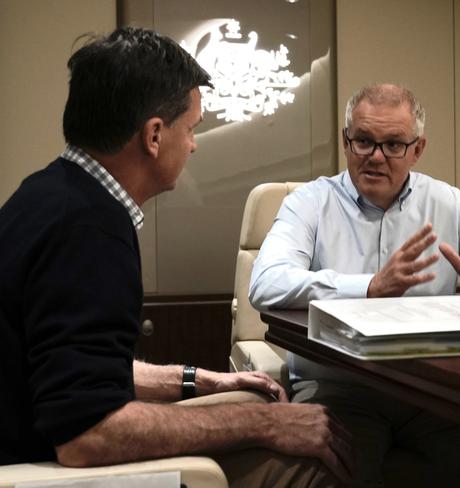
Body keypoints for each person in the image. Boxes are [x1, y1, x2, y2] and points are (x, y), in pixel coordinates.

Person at [0, 27, 353, 488]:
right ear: (153, 135)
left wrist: (203, 381)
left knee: (255, 404)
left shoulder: (48, 194)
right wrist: (267, 426)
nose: (193, 145)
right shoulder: (89, 230)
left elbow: (73, 365)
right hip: (35, 465)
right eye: (191, 129)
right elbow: (86, 433)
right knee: (309, 461)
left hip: (31, 431)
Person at [249, 83, 460, 486]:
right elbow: (266, 283)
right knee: (331, 474)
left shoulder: (448, 203)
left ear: (417, 149)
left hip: (428, 388)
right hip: (341, 387)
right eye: (364, 142)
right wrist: (368, 287)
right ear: (346, 141)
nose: (375, 157)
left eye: (393, 145)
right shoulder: (310, 202)